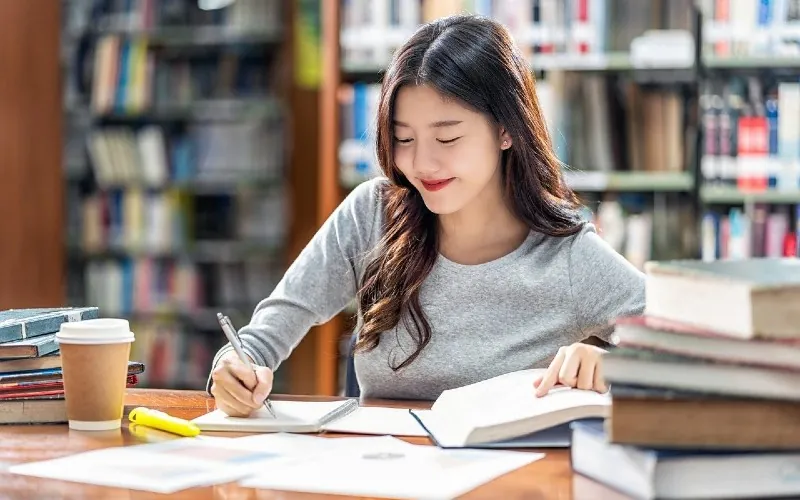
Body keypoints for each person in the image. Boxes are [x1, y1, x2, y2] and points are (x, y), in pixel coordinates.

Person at [208, 14, 645, 417]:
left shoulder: (567, 255)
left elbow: (692, 353)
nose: (422, 164)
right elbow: (260, 340)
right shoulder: (371, 215)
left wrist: (615, 364)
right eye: (404, 138)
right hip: (384, 469)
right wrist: (233, 368)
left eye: (447, 138)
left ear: (506, 130)